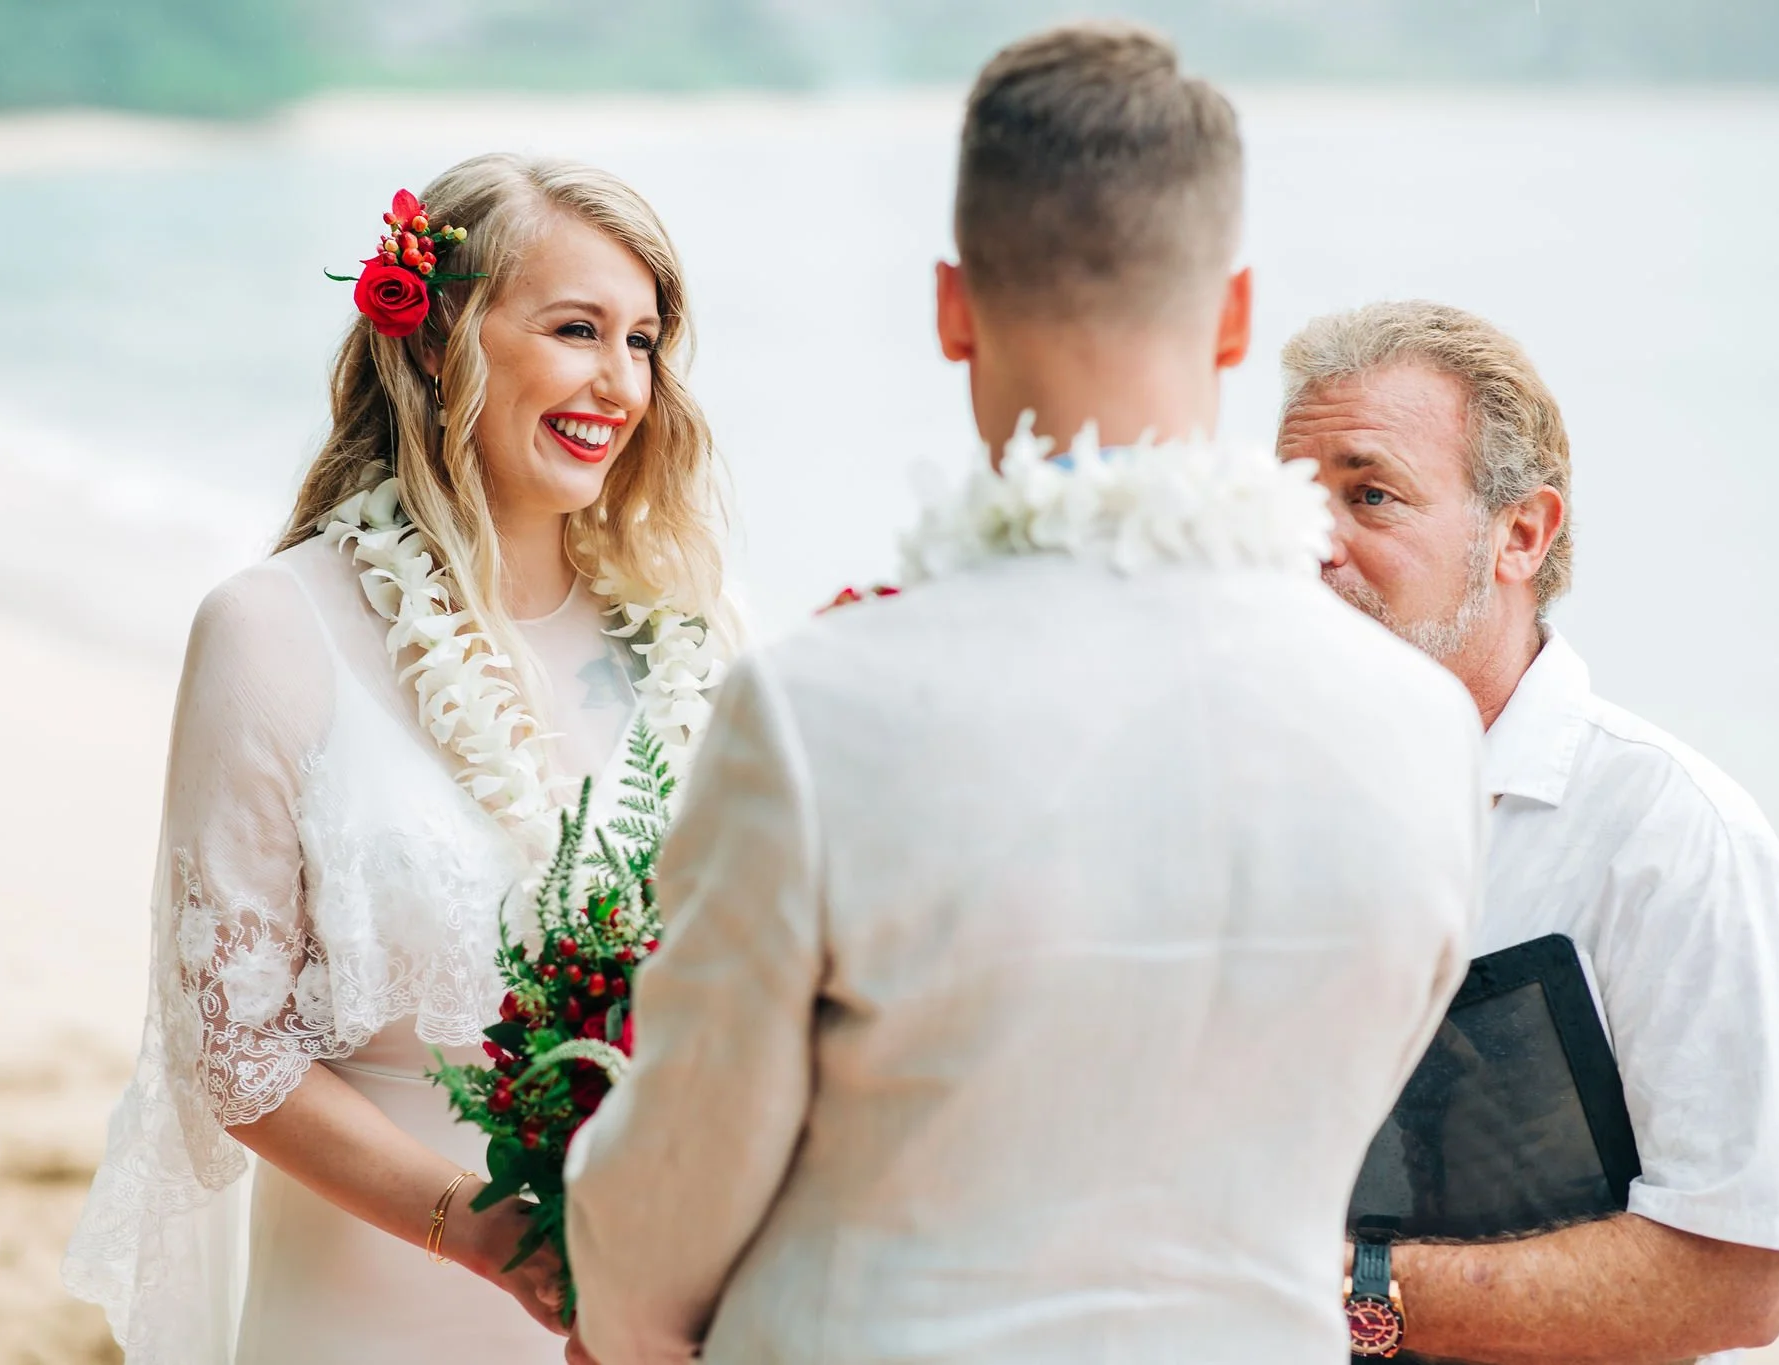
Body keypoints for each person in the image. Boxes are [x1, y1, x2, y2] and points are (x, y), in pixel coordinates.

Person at [562, 24, 1486, 1365]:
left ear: (952, 304)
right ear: (1234, 312)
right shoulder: (1420, 729)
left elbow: (652, 1243)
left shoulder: (819, 715)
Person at [62, 153, 734, 1364]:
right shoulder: (274, 630)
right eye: (576, 329)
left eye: (641, 341)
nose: (618, 384)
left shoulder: (679, 643)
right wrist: (488, 1238)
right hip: (372, 1309)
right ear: (435, 342)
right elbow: (234, 1046)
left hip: (652, 1301)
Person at [1278, 299, 1779, 1363]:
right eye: (1292, 502)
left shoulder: (1669, 836)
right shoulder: (1247, 804)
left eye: (1368, 495)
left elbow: (1736, 1278)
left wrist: (1343, 1292)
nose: (1313, 548)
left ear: (1519, 533)